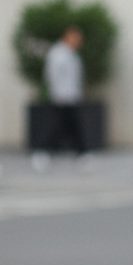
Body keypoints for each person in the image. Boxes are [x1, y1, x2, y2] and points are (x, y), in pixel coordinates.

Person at [33, 26, 87, 167]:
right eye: (76, 38)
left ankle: (81, 153)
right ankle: (43, 152)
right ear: (67, 37)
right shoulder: (57, 53)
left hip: (71, 96)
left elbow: (75, 78)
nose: (78, 42)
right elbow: (52, 75)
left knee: (71, 126)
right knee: (58, 126)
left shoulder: (72, 54)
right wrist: (57, 94)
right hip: (61, 97)